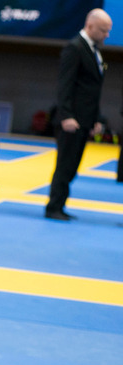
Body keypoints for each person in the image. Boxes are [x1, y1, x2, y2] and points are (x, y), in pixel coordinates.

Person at [46, 8, 112, 221]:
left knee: (73, 165)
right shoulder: (74, 48)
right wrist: (66, 115)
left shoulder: (93, 50)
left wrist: (96, 119)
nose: (106, 35)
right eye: (103, 30)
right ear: (90, 26)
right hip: (71, 119)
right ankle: (53, 206)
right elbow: (65, 85)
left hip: (84, 119)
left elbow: (91, 90)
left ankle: (60, 205)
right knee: (65, 164)